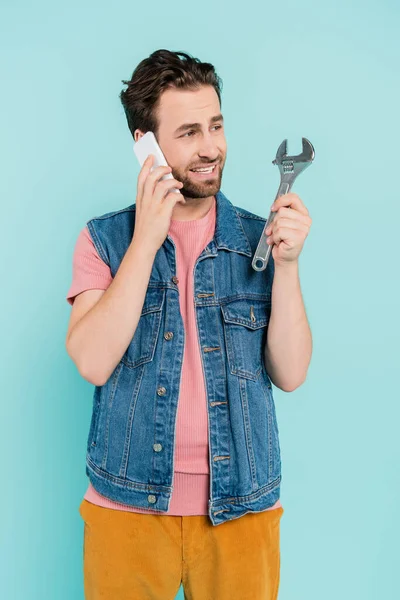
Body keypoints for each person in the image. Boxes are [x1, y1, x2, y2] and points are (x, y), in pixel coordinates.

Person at [65, 48, 312, 600]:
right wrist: (148, 238)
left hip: (242, 505)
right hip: (126, 506)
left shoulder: (260, 238)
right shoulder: (103, 240)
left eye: (217, 126)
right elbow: (91, 359)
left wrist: (289, 266)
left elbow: (291, 373)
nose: (210, 148)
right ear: (145, 144)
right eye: (189, 132)